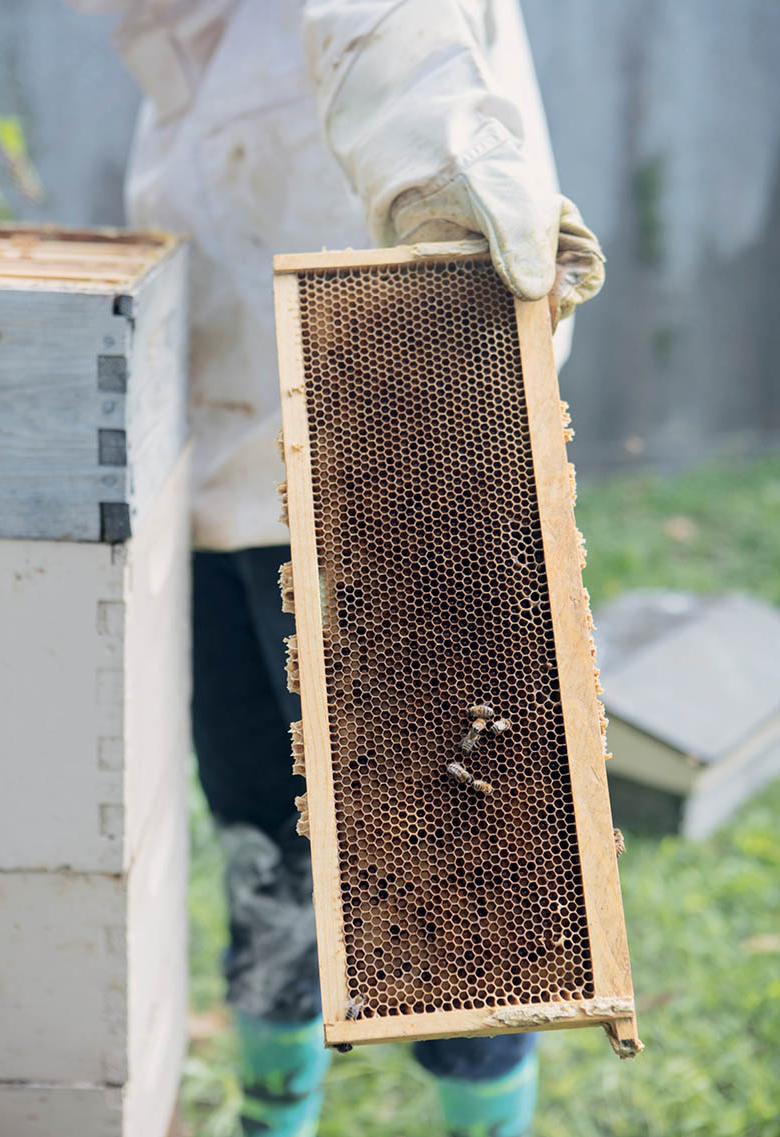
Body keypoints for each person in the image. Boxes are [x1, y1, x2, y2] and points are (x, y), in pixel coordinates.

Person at [67, 3, 605, 1134]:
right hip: (212, 493)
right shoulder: (181, 42)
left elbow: (394, 32)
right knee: (259, 839)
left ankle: (487, 1122)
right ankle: (274, 1114)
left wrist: (438, 169)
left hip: (387, 483)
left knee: (450, 881)